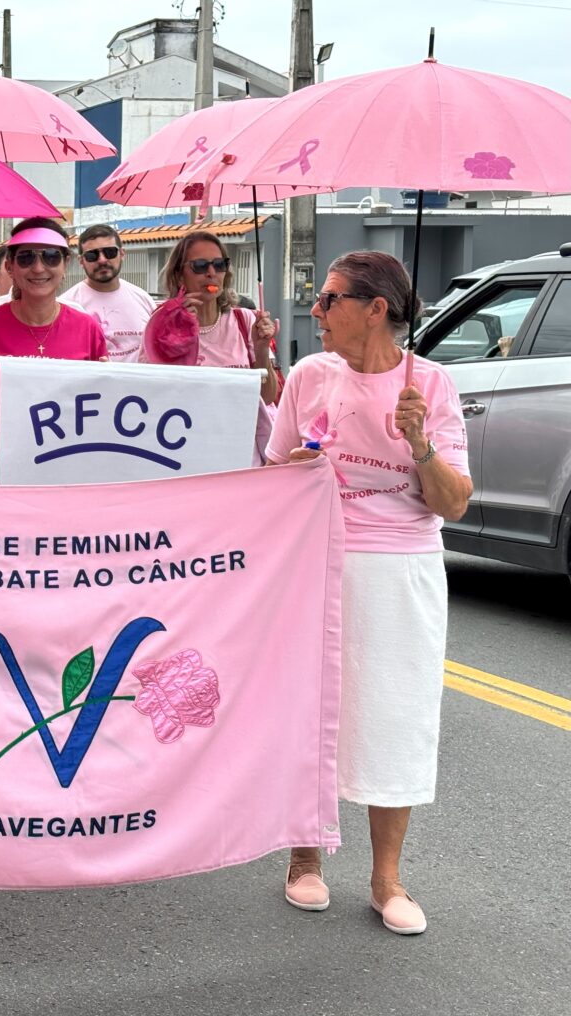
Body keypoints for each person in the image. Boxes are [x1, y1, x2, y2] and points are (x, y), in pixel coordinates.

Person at [268, 251, 472, 936]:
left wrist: (419, 443)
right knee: (309, 706)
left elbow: (453, 504)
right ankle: (304, 860)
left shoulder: (434, 386)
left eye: (329, 300)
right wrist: (295, 468)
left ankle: (387, 878)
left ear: (375, 307)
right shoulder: (309, 375)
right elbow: (274, 471)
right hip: (316, 557)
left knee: (392, 715)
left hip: (399, 566)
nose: (317, 312)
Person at [0, 219, 107, 485]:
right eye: (26, 258)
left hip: (69, 479)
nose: (38, 268)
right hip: (0, 478)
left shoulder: (87, 329)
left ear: (66, 265)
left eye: (51, 257)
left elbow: (100, 413)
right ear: (10, 267)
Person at [145, 231, 279, 404]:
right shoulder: (161, 325)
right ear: (179, 276)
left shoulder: (245, 320)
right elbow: (153, 394)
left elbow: (267, 398)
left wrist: (261, 351)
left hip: (238, 429)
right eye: (200, 265)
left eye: (219, 264)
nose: (211, 273)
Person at [60, 224, 155, 362]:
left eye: (110, 252)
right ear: (81, 261)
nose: (102, 260)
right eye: (92, 255)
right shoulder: (67, 305)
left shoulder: (143, 299)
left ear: (122, 254)